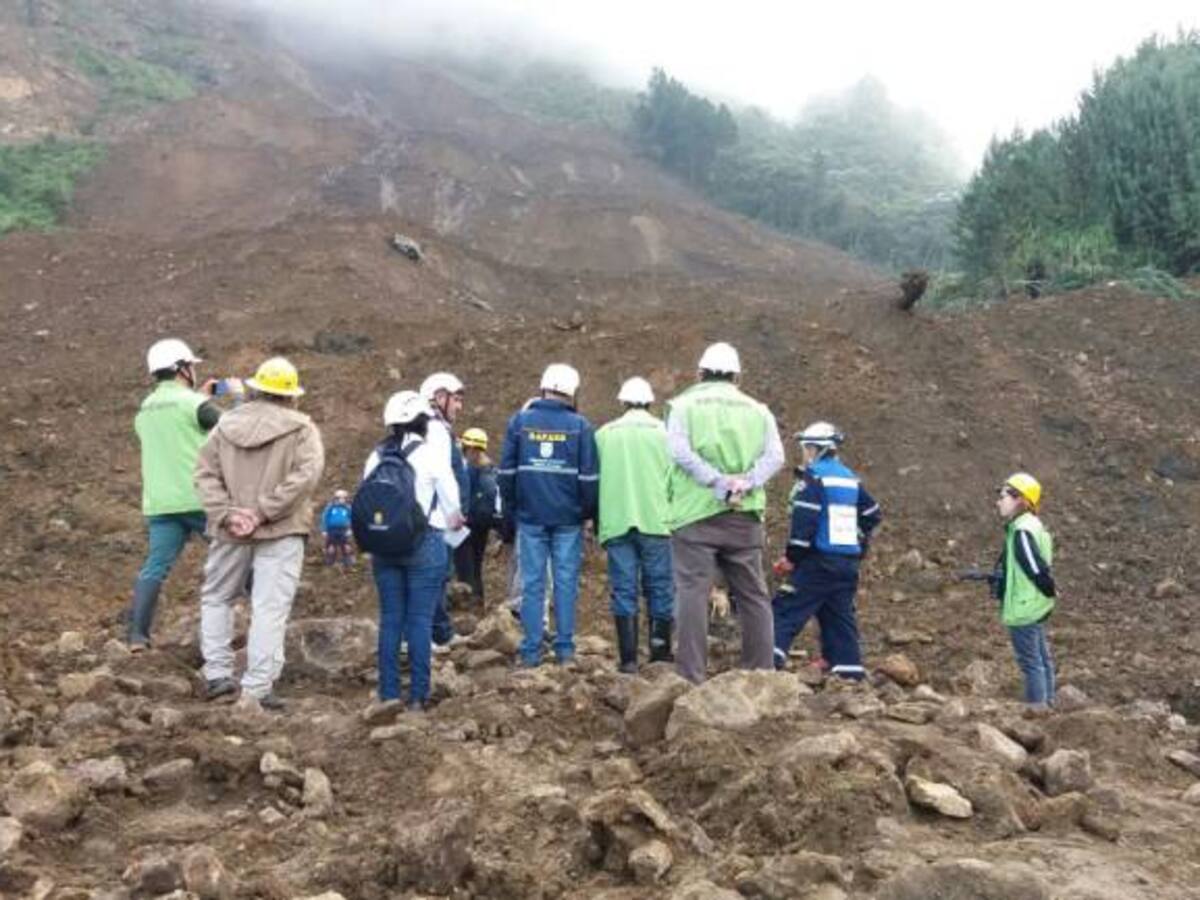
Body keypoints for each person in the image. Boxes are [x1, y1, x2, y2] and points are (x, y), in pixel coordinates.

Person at [194, 357, 324, 710]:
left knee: (217, 597)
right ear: (290, 394)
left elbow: (204, 474)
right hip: (281, 530)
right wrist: (263, 512)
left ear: (256, 388)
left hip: (229, 531)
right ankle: (257, 688)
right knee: (269, 607)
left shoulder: (224, 426)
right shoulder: (302, 429)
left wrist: (227, 514)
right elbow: (305, 478)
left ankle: (218, 675)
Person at [666, 342, 785, 684]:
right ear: (737, 376)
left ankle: (691, 676)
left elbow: (678, 452)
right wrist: (745, 483)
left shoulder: (683, 405)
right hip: (743, 515)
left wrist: (716, 481)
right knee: (753, 594)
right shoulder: (759, 410)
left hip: (695, 515)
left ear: (700, 373)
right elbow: (776, 457)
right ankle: (761, 674)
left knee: (692, 591)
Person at [363, 391, 463, 710]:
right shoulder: (431, 455)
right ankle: (419, 695)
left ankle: (388, 693)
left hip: (384, 546)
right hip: (426, 543)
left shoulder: (375, 457)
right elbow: (454, 510)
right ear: (422, 422)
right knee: (419, 620)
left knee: (391, 618)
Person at [127, 338, 223, 651]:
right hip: (198, 499)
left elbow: (172, 425)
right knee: (234, 554)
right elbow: (229, 428)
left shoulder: (145, 408)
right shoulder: (194, 405)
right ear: (181, 369)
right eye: (191, 366)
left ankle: (137, 635)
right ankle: (268, 617)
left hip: (160, 503)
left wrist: (196, 399)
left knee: (155, 566)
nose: (194, 370)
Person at [499, 364, 598, 667]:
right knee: (566, 583)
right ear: (572, 392)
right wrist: (586, 512)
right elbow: (589, 479)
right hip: (568, 520)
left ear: (544, 387)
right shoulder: (581, 427)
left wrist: (514, 509)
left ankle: (531, 650)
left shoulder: (519, 422)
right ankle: (565, 650)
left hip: (530, 518)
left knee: (532, 583)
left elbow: (506, 473)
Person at [771, 422, 882, 679]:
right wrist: (856, 543)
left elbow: (805, 522)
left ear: (816, 449)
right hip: (847, 563)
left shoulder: (814, 478)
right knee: (838, 616)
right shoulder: (849, 478)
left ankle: (765, 664)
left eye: (806, 448)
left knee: (786, 609)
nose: (804, 453)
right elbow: (872, 514)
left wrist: (791, 558)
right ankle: (849, 673)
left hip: (818, 561)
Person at [596, 377, 674, 673]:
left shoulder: (604, 434)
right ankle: (659, 654)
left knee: (624, 588)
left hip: (616, 522)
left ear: (622, 402)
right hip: (658, 521)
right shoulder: (665, 433)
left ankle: (628, 660)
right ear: (650, 402)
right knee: (660, 587)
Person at [991, 472, 1058, 711]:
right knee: (1041, 659)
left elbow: (1033, 566)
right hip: (1035, 604)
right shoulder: (1031, 525)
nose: (999, 502)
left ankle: (1037, 710)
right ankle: (1048, 705)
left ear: (1020, 499)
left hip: (1024, 606)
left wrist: (1049, 588)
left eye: (1003, 496)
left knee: (1031, 663)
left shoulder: (1021, 530)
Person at [419, 373, 470, 645]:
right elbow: (441, 475)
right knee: (433, 576)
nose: (459, 407)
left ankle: (436, 631)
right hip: (437, 519)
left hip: (439, 518)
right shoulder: (435, 431)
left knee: (438, 576)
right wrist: (454, 511)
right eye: (456, 399)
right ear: (439, 397)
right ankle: (431, 635)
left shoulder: (436, 429)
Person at [453, 427, 498, 600]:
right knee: (476, 566)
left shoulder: (468, 470)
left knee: (466, 569)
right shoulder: (491, 469)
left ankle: (470, 605)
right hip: (482, 525)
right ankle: (477, 603)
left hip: (466, 525)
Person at [320, 489, 355, 568]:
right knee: (331, 546)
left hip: (344, 530)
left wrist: (351, 529)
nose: (341, 500)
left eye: (343, 498)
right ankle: (330, 561)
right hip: (331, 530)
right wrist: (324, 530)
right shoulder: (330, 507)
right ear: (334, 498)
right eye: (338, 498)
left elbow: (352, 519)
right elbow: (324, 518)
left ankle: (347, 560)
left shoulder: (348, 508)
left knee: (346, 545)